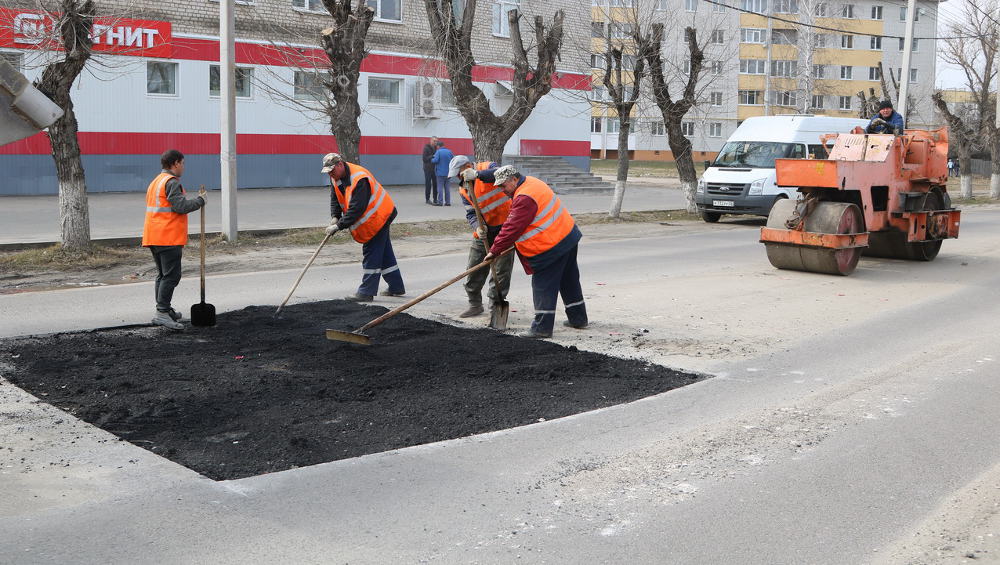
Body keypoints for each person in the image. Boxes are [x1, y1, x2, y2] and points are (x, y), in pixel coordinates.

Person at [472, 165, 588, 338]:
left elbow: (511, 228)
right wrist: (477, 175)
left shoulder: (524, 197)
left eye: (503, 186)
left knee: (543, 286)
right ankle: (578, 318)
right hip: (567, 236)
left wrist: (494, 251)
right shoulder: (532, 182)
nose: (502, 191)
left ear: (513, 179)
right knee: (568, 279)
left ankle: (542, 328)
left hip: (550, 246)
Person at [322, 152, 405, 302]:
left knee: (371, 251)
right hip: (375, 217)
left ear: (340, 165)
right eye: (329, 172)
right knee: (384, 253)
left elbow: (357, 208)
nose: (331, 175)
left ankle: (366, 291)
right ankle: (396, 287)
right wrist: (335, 216)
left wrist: (338, 226)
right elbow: (335, 197)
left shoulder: (359, 178)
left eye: (332, 171)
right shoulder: (336, 177)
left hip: (379, 216)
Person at [141, 149, 206, 331]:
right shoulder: (171, 182)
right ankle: (162, 313)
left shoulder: (156, 181)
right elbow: (180, 206)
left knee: (162, 275)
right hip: (167, 236)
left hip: (154, 235)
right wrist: (200, 201)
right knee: (171, 276)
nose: (184, 167)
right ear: (175, 163)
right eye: (183, 163)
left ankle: (165, 310)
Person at [448, 154, 515, 318]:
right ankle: (475, 304)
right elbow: (471, 213)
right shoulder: (463, 188)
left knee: (501, 273)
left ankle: (495, 307)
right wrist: (478, 227)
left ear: (468, 166)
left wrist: (477, 174)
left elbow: (502, 174)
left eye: (460, 172)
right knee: (474, 269)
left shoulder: (487, 167)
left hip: (506, 228)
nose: (459, 177)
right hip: (485, 232)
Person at [431, 140, 454, 206]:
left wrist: (432, 159)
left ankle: (440, 202)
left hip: (440, 173)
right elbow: (453, 160)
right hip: (448, 173)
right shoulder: (449, 151)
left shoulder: (438, 152)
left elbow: (435, 160)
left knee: (440, 187)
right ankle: (448, 202)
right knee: (447, 188)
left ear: (438, 146)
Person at [422, 136, 439, 205]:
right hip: (427, 169)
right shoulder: (426, 148)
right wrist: (433, 156)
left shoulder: (436, 148)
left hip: (434, 169)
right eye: (434, 141)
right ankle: (427, 199)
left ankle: (435, 199)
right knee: (428, 184)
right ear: (431, 141)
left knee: (435, 184)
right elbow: (424, 159)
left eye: (436, 141)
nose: (435, 142)